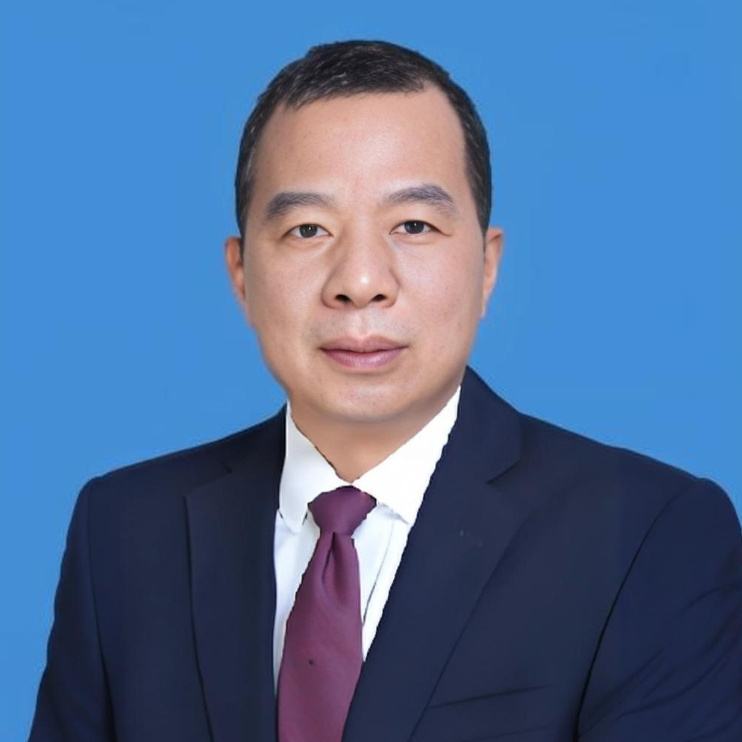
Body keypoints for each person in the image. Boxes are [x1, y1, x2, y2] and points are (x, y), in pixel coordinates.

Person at [29, 40, 742, 742]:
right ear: (241, 274)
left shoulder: (647, 537)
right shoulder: (123, 533)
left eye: (413, 225)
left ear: (487, 266)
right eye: (308, 229)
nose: (361, 281)